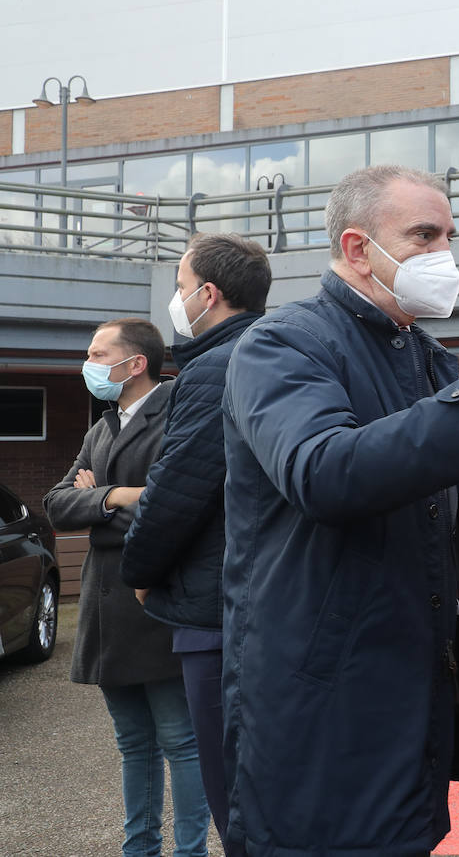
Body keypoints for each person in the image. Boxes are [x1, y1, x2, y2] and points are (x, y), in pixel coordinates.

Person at [219, 165, 459, 855]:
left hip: (406, 691)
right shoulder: (282, 345)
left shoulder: (422, 357)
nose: (443, 255)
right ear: (358, 247)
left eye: (449, 236)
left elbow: (401, 493)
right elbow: (325, 475)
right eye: (424, 235)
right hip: (323, 699)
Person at [120, 232, 271, 857]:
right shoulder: (275, 350)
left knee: (232, 790)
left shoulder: (215, 368)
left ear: (208, 295)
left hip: (217, 612)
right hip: (260, 601)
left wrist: (141, 570)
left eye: (181, 288)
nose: (177, 301)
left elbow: (176, 491)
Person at [44, 317, 210, 857]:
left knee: (181, 743)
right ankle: (139, 848)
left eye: (97, 352)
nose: (88, 363)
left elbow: (173, 511)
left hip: (156, 603)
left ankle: (190, 851)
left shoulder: (175, 417)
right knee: (132, 743)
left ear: (134, 363)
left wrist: (99, 500)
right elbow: (55, 504)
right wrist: (118, 496)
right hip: (106, 612)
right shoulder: (101, 426)